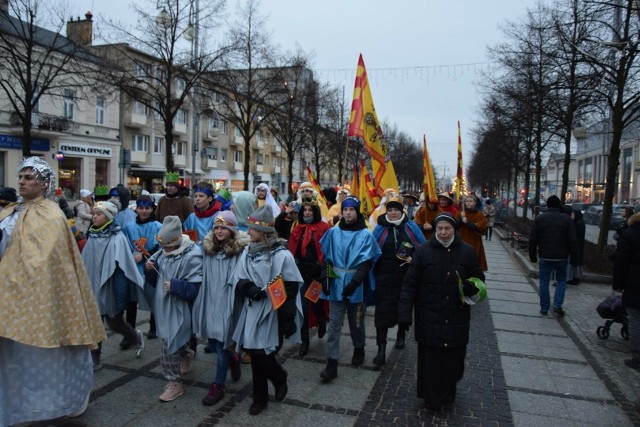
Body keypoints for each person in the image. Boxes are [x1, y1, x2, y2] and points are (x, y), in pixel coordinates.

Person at [0, 157, 105, 425]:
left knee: (51, 351)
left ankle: (63, 400)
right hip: (9, 294)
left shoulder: (52, 216)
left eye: (28, 177)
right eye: (20, 177)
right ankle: (17, 404)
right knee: (13, 355)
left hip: (42, 297)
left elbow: (50, 261)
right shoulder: (11, 211)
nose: (22, 181)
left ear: (45, 183)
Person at [398, 212, 485, 411]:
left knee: (452, 360)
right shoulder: (422, 251)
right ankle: (431, 398)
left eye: (447, 229)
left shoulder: (467, 252)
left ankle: (447, 394)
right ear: (435, 230)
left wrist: (471, 287)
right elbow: (409, 285)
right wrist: (403, 315)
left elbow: (479, 279)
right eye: (439, 229)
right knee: (431, 360)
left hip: (456, 315)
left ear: (454, 230)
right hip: (429, 314)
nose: (443, 233)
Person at [231, 205, 303, 415]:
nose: (247, 232)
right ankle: (260, 396)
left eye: (251, 228)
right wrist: (249, 288)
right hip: (253, 309)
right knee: (255, 353)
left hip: (273, 312)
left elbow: (290, 286)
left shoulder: (282, 255)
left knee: (263, 354)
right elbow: (238, 276)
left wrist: (287, 318)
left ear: (262, 231)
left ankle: (278, 379)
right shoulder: (247, 251)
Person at [319, 196, 381, 381]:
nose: (348, 213)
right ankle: (332, 363)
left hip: (356, 287)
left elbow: (366, 263)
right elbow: (327, 259)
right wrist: (326, 280)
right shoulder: (333, 233)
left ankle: (359, 347)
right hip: (336, 285)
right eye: (345, 209)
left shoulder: (365, 235)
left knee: (357, 322)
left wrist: (353, 284)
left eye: (351, 209)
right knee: (334, 325)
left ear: (357, 211)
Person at [192, 211, 249, 406]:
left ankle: (218, 385)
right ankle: (234, 358)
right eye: (216, 227)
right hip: (211, 299)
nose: (219, 231)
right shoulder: (208, 249)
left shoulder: (240, 251)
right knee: (214, 343)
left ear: (231, 229)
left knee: (222, 344)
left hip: (228, 302)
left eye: (223, 227)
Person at [144, 216, 203, 402]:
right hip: (165, 305)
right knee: (176, 338)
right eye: (163, 246)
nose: (165, 250)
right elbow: (153, 279)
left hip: (183, 307)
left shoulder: (193, 255)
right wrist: (150, 269)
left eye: (169, 246)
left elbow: (196, 287)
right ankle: (187, 354)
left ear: (177, 241)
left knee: (170, 342)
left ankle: (174, 382)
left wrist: (177, 286)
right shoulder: (162, 252)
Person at [82, 200, 147, 369]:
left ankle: (134, 337)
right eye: (94, 213)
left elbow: (124, 268)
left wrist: (119, 296)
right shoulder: (93, 235)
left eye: (98, 214)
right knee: (95, 321)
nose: (94, 217)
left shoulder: (117, 238)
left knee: (114, 321)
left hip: (110, 285)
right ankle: (95, 357)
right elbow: (85, 261)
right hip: (92, 285)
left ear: (108, 216)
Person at [371, 194, 426, 367]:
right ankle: (381, 349)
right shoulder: (379, 228)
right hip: (384, 278)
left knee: (403, 310)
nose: (393, 213)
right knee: (382, 313)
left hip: (405, 278)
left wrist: (413, 259)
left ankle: (401, 333)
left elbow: (423, 250)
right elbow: (371, 251)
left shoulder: (411, 227)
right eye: (390, 210)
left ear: (401, 211)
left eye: (396, 210)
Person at [288, 194, 331, 356]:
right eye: (304, 210)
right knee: (303, 308)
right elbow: (292, 251)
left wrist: (322, 270)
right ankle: (304, 341)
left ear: (315, 211)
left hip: (318, 275)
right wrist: (296, 264)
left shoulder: (324, 228)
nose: (306, 213)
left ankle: (321, 321)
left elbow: (327, 251)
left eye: (310, 210)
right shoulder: (297, 228)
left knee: (319, 304)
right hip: (302, 274)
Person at [528, 195, 577, 317]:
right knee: (561, 281)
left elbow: (533, 239)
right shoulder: (566, 219)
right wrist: (574, 256)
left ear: (547, 205)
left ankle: (544, 308)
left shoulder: (540, 219)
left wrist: (532, 255)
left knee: (544, 282)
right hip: (562, 256)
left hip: (545, 255)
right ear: (558, 205)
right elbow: (572, 240)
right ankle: (557, 305)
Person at [123, 194, 163, 339]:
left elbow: (162, 246)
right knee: (131, 300)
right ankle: (129, 332)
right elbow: (125, 245)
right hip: (134, 267)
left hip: (151, 267)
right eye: (141, 208)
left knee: (153, 297)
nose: (144, 211)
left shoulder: (159, 227)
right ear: (136, 209)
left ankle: (154, 327)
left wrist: (146, 255)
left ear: (152, 209)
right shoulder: (129, 227)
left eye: (147, 208)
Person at [612, 211, 640, 372]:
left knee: (635, 319)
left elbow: (620, 261)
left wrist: (617, 284)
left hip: (634, 283)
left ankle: (637, 357)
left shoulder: (629, 234)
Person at [457, 194, 488, 272]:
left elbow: (481, 227)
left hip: (474, 242)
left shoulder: (479, 215)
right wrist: (461, 219)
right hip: (461, 241)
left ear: (474, 203)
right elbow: (454, 226)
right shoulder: (460, 213)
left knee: (473, 262)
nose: (468, 203)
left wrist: (467, 222)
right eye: (467, 201)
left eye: (470, 201)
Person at [567, 209, 585, 286]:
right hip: (578, 245)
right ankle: (575, 278)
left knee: (575, 262)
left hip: (577, 246)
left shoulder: (578, 224)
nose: (571, 216)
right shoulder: (579, 222)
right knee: (575, 262)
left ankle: (575, 278)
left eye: (572, 215)